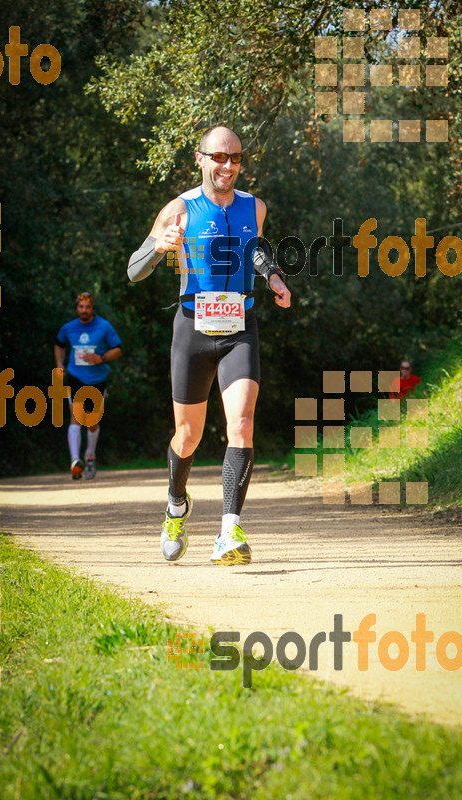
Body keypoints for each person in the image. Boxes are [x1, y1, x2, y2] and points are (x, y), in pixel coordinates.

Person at [127, 124, 290, 565]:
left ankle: (229, 531)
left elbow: (255, 248)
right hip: (192, 330)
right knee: (188, 435)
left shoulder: (255, 206)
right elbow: (134, 270)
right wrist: (160, 247)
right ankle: (177, 505)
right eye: (219, 157)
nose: (228, 166)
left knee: (241, 423)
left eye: (236, 158)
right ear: (199, 159)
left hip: (241, 325)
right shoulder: (180, 209)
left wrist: (272, 276)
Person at [55, 292, 122, 480]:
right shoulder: (69, 328)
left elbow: (118, 349)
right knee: (76, 417)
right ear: (77, 308)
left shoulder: (104, 326)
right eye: (81, 307)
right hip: (76, 377)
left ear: (93, 308)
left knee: (92, 421)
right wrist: (59, 363)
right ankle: (75, 461)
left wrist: (100, 358)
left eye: (88, 307)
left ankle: (89, 456)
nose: (84, 310)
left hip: (97, 379)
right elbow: (59, 344)